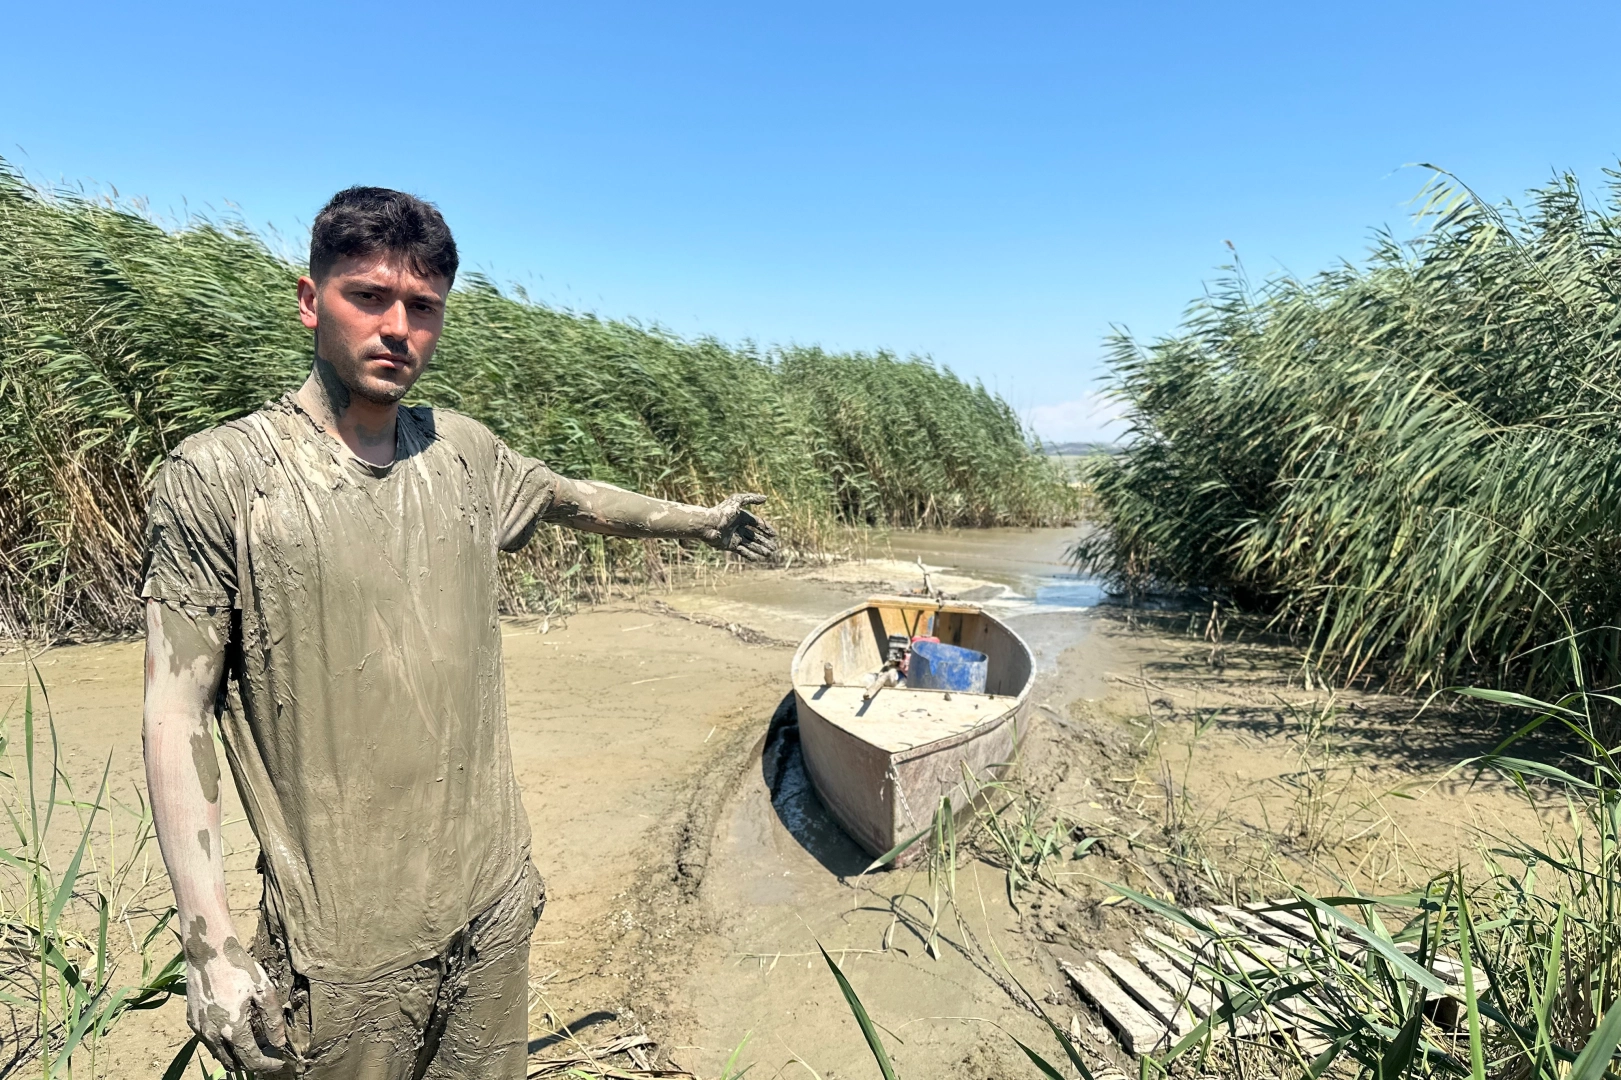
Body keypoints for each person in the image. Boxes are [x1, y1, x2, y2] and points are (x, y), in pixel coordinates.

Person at [140, 187, 777, 1079]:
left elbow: (572, 500)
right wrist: (210, 947)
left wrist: (705, 523)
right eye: (369, 297)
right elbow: (176, 715)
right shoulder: (224, 477)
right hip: (343, 953)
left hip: (491, 907)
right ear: (309, 299)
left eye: (423, 308)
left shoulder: (465, 455)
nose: (397, 327)